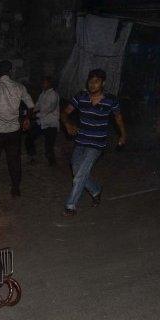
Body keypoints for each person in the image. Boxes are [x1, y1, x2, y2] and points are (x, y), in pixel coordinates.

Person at [60, 68, 126, 216]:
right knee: (77, 171)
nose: (92, 84)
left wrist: (123, 135)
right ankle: (96, 190)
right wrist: (67, 123)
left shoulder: (110, 100)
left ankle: (70, 206)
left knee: (79, 175)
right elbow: (64, 112)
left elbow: (118, 117)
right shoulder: (81, 97)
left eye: (96, 81)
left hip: (96, 144)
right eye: (91, 81)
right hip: (81, 140)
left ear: (103, 83)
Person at [0, 60, 34, 198]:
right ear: (10, 71)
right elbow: (31, 105)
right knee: (14, 161)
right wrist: (27, 119)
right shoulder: (19, 87)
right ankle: (15, 189)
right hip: (14, 131)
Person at [25, 76, 60, 165]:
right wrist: (30, 111)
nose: (42, 84)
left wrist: (34, 115)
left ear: (50, 83)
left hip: (51, 124)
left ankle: (53, 164)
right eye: (42, 82)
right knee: (29, 138)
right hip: (42, 122)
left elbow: (47, 110)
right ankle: (32, 157)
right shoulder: (43, 93)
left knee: (49, 147)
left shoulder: (53, 95)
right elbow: (37, 105)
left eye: (44, 82)